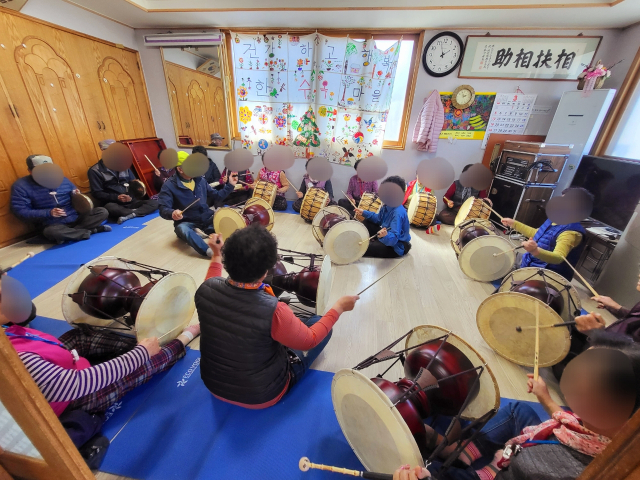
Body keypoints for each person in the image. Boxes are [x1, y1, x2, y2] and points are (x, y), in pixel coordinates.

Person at [398, 332, 640, 480]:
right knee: (519, 411)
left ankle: (475, 466)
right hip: (526, 458)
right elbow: (567, 418)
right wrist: (544, 396)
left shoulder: (566, 471)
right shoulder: (601, 429)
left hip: (513, 472)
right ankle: (463, 453)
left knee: (432, 473)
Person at [195, 227, 359, 408]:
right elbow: (309, 341)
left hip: (213, 386)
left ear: (229, 260)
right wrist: (338, 308)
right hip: (262, 395)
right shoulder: (275, 310)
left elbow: (212, 277)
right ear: (266, 271)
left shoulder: (205, 289)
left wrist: (216, 254)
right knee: (317, 323)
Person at [0, 281, 200, 417]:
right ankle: (185, 337)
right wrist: (141, 354)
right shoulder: (16, 358)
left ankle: (141, 350)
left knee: (79, 335)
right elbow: (74, 385)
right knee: (139, 367)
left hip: (59, 363)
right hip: (72, 398)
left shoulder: (8, 331)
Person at [11, 155, 111, 244]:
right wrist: (49, 213)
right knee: (53, 232)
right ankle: (92, 231)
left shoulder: (63, 179)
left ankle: (73, 234)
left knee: (102, 211)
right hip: (52, 224)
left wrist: (77, 194)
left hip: (75, 217)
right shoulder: (21, 186)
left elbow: (77, 196)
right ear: (30, 171)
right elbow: (20, 211)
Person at [500, 188, 590, 281]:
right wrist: (514, 224)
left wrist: (535, 250)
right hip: (531, 262)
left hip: (545, 276)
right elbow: (537, 233)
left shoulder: (570, 232)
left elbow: (558, 258)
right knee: (502, 257)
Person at [157, 151, 236, 257]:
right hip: (187, 220)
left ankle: (203, 232)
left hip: (206, 216)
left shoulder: (200, 180)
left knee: (224, 226)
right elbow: (163, 208)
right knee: (182, 229)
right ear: (180, 169)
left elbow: (217, 196)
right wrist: (172, 213)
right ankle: (208, 251)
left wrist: (230, 185)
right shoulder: (168, 186)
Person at [88, 139, 158, 224]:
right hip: (114, 203)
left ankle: (131, 214)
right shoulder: (94, 171)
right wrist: (116, 197)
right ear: (103, 151)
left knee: (155, 203)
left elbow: (133, 183)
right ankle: (135, 212)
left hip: (131, 201)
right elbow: (97, 193)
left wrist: (135, 192)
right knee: (111, 208)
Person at [355, 176, 412, 258]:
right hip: (387, 235)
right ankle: (363, 238)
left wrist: (384, 236)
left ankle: (372, 242)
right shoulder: (387, 205)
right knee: (367, 222)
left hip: (395, 246)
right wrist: (364, 212)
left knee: (364, 248)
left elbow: (394, 239)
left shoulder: (397, 213)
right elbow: (378, 219)